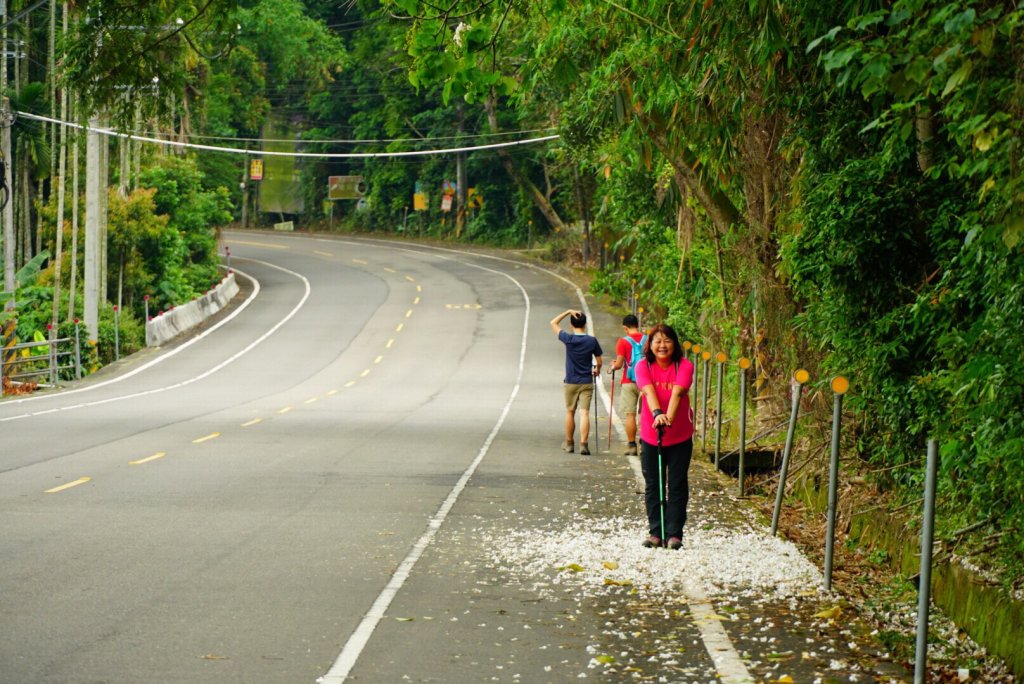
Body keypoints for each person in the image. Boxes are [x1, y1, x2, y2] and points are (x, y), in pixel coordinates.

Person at [634, 323, 695, 550]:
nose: (662, 346)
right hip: (652, 436)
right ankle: (655, 532)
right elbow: (648, 390)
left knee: (677, 484)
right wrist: (657, 414)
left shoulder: (684, 365)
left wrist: (667, 417)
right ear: (650, 345)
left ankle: (674, 534)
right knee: (654, 484)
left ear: (674, 344)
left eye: (667, 340)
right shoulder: (643, 366)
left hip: (679, 436)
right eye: (657, 341)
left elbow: (678, 392)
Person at [550, 309, 603, 455]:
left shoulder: (569, 339)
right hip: (586, 381)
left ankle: (569, 443)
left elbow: (553, 323)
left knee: (570, 412)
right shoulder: (592, 341)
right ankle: (584, 444)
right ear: (585, 324)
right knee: (584, 413)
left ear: (571, 325)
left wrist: (568, 311)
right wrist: (596, 370)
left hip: (571, 381)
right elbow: (599, 361)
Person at [607, 314, 645, 456]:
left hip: (628, 382)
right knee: (644, 414)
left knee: (630, 415)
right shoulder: (647, 340)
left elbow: (618, 364)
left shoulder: (623, 342)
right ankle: (645, 443)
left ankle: (631, 446)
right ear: (637, 324)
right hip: (645, 382)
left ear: (625, 328)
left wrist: (613, 366)